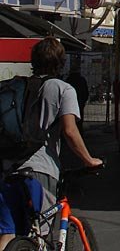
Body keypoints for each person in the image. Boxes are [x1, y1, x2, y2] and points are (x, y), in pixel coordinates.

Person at [0, 37, 103, 249]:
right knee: (41, 236)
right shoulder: (63, 89)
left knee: (8, 234)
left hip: (8, 168)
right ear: (61, 62)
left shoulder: (19, 87)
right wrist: (88, 160)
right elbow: (70, 131)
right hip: (40, 171)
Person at [65, 67, 89, 132]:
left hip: (70, 104)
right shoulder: (82, 79)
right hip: (80, 102)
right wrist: (83, 101)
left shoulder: (68, 80)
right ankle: (79, 134)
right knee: (79, 122)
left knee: (70, 121)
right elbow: (86, 92)